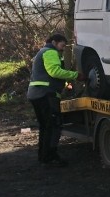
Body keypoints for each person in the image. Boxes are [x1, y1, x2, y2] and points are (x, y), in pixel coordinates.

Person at [27, 33, 85, 166]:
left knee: (45, 127)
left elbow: (51, 76)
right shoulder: (50, 52)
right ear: (54, 42)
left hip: (37, 94)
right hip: (45, 95)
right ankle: (50, 157)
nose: (63, 48)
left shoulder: (43, 52)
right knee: (53, 126)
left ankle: (43, 157)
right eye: (62, 45)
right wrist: (76, 75)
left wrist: (66, 85)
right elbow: (54, 72)